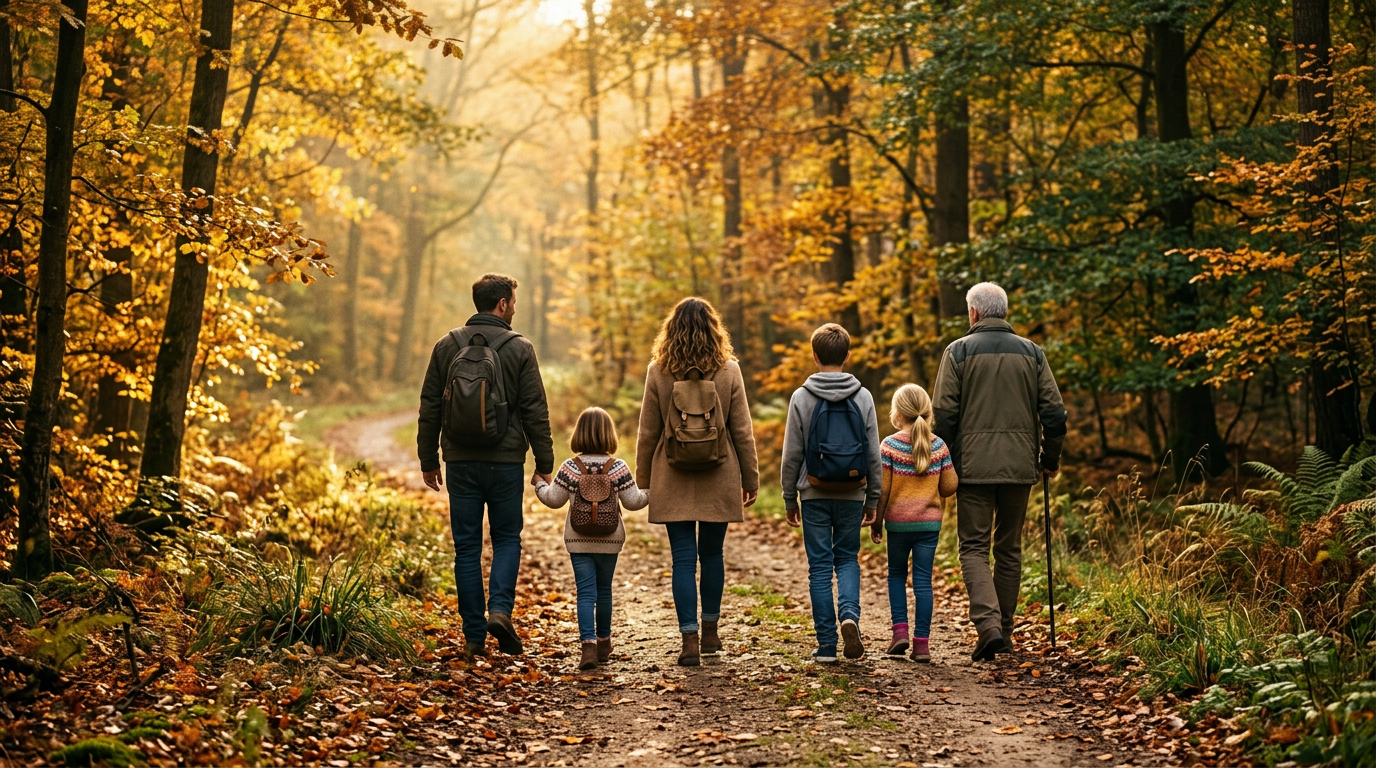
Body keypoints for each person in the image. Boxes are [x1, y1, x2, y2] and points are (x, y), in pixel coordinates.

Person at [417, 273, 555, 658]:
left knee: (466, 548)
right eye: (513, 300)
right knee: (507, 538)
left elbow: (429, 406)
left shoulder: (447, 345)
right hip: (505, 461)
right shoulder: (520, 348)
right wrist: (544, 462)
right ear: (502, 305)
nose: (514, 306)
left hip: (460, 461)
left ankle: (474, 636)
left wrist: (428, 458)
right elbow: (535, 410)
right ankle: (499, 611)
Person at [932, 282, 1066, 661]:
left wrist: (944, 461)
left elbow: (943, 416)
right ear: (1003, 312)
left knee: (973, 547)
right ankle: (1003, 632)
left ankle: (988, 627)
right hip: (1020, 465)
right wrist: (1049, 458)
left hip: (972, 467)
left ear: (974, 313)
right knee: (1009, 548)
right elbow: (1054, 414)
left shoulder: (957, 352)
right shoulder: (1033, 353)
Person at [635, 297, 759, 667]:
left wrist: (644, 479)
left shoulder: (658, 371)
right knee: (713, 555)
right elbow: (742, 430)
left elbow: (647, 431)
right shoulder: (729, 370)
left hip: (671, 475)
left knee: (683, 559)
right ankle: (710, 632)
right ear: (713, 330)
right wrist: (750, 477)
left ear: (670, 331)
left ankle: (688, 639)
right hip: (719, 472)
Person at [780, 324, 882, 663]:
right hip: (853, 491)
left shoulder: (802, 397)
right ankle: (849, 615)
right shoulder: (863, 396)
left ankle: (826, 645)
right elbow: (872, 454)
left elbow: (792, 452)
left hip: (814, 490)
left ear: (815, 355)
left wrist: (788, 496)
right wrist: (874, 498)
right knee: (848, 557)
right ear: (847, 355)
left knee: (820, 567)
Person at [534, 407, 649, 671]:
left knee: (585, 593)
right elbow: (633, 502)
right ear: (610, 434)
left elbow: (553, 500)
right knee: (604, 590)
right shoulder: (618, 467)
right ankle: (604, 642)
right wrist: (652, 490)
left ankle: (588, 648)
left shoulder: (571, 467)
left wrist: (539, 483)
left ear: (579, 434)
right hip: (610, 540)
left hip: (579, 540)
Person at [870, 384, 958, 663]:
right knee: (923, 582)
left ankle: (900, 633)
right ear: (928, 412)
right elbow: (949, 487)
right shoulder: (938, 445)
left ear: (898, 414)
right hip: (928, 526)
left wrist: (876, 520)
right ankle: (922, 644)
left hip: (897, 525)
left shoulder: (890, 446)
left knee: (896, 575)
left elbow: (882, 491)